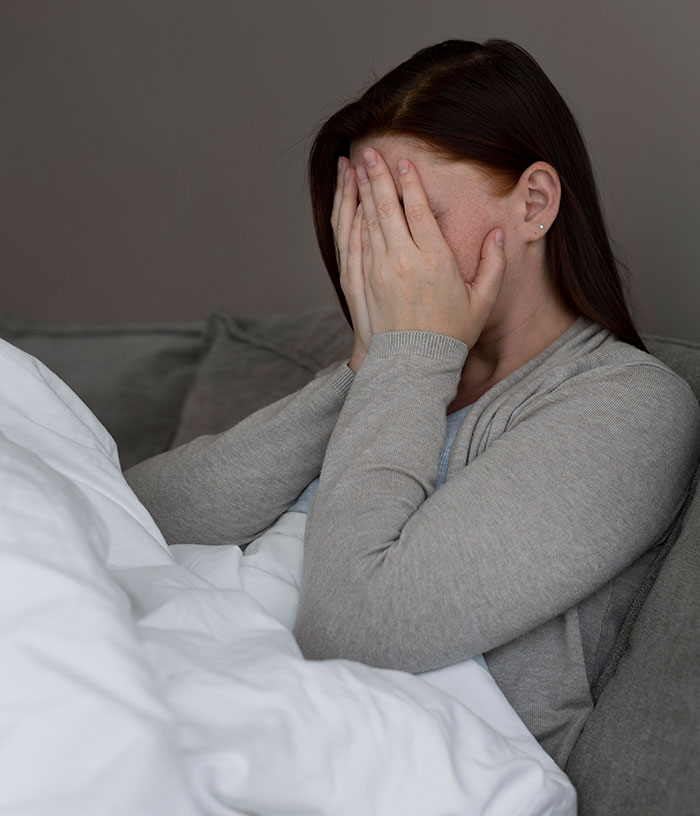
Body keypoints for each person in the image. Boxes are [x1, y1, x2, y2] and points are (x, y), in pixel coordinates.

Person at [123, 39, 700, 768]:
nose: (384, 254)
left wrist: (408, 354)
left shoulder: (630, 407)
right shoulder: (388, 373)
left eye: (413, 214)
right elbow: (128, 521)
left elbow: (358, 629)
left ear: (535, 203)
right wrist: (367, 367)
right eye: (366, 220)